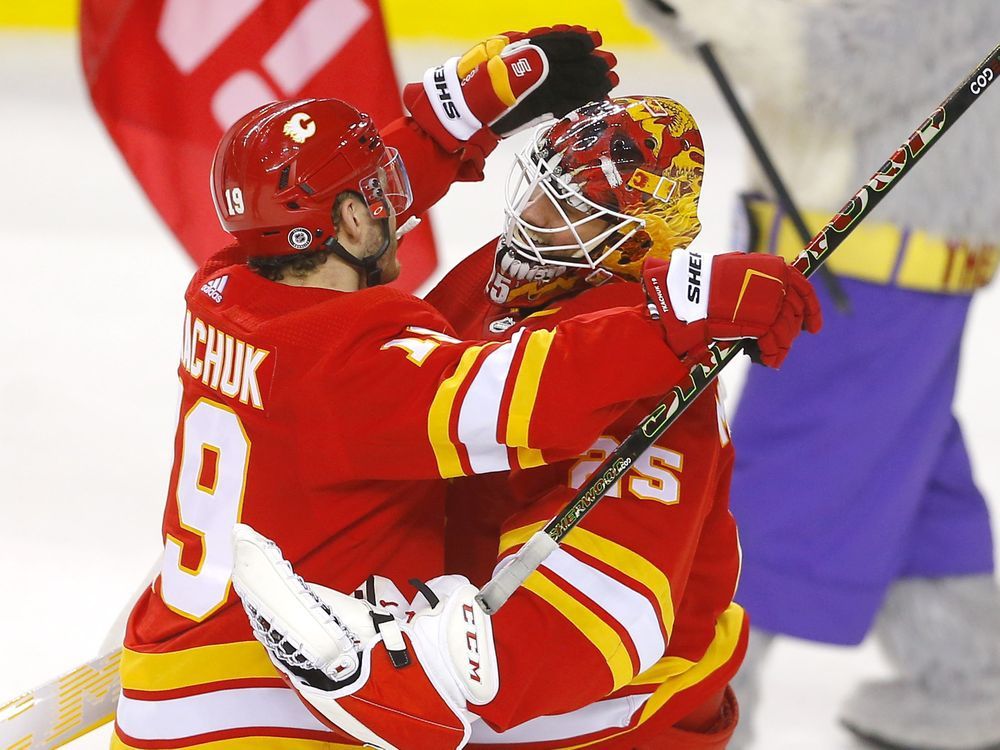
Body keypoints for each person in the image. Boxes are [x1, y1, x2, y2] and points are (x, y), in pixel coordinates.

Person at [110, 26, 649, 750]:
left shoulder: (223, 285)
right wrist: (682, 314)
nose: (395, 202)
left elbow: (314, 209)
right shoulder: (360, 362)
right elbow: (542, 394)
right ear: (357, 219)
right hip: (279, 711)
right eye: (379, 194)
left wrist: (450, 122)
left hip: (171, 671)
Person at [231, 95, 822, 750]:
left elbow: (600, 615)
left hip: (618, 726)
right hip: (485, 694)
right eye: (540, 185)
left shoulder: (659, 380)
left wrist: (423, 674)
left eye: (571, 207)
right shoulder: (509, 274)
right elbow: (410, 409)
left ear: (633, 236)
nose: (532, 216)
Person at [624, 2, 1000, 749]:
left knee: (777, 486)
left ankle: (702, 713)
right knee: (911, 472)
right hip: (856, 259)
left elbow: (830, 67)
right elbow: (756, 41)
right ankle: (968, 685)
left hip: (873, 269)